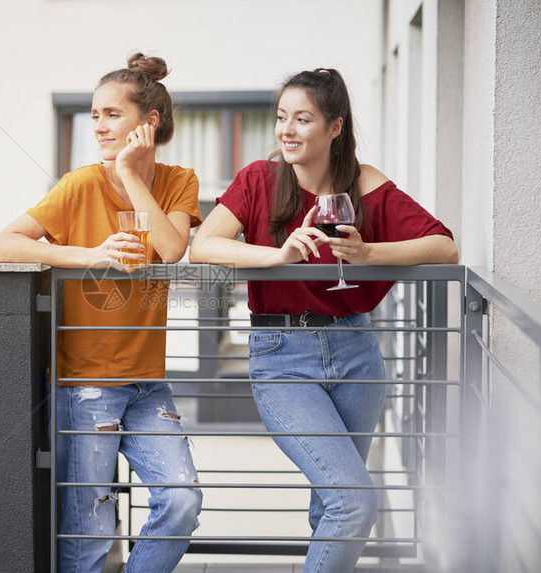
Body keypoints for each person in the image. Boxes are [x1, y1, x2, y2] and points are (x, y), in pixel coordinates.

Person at [189, 68, 457, 573]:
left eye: (302, 119)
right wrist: (276, 257)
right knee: (353, 502)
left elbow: (443, 245)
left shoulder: (365, 182)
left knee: (331, 504)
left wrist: (367, 251)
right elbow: (202, 248)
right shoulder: (259, 179)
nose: (286, 130)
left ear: (335, 127)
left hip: (356, 354)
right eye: (281, 118)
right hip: (282, 356)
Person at [0, 53, 202, 573]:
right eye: (95, 115)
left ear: (148, 123)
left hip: (148, 382)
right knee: (89, 531)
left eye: (112, 114)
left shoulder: (178, 180)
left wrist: (130, 173)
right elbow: (2, 245)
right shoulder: (79, 184)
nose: (99, 126)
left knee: (181, 500)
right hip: (84, 384)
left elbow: (171, 248)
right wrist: (90, 255)